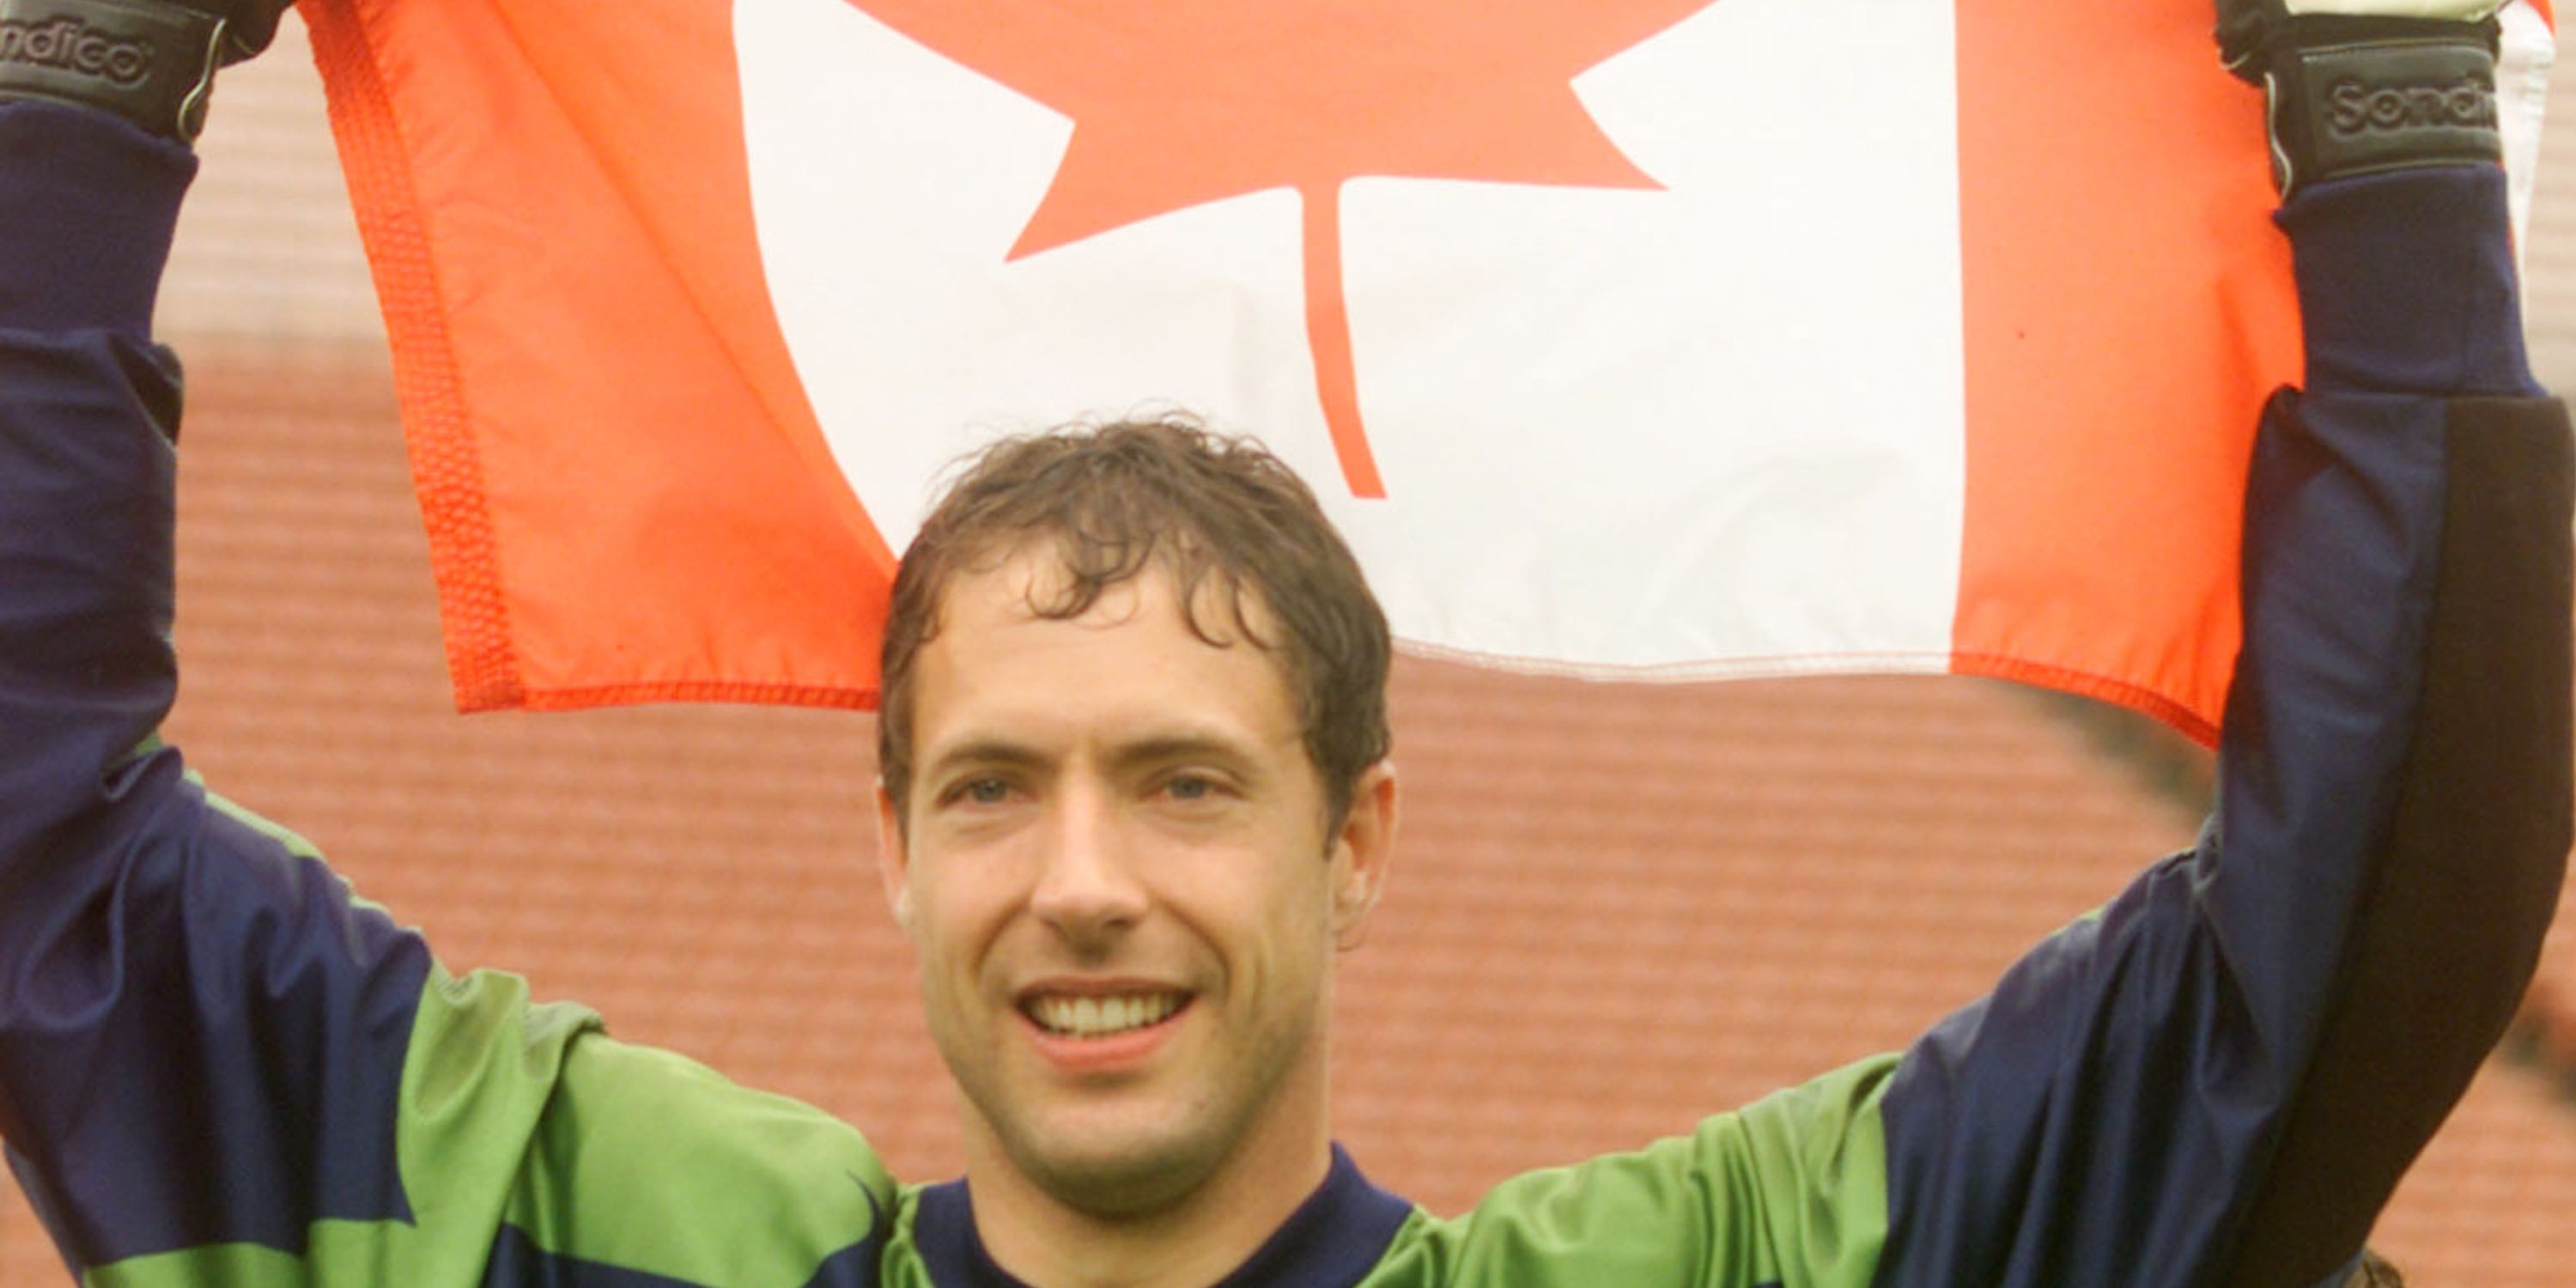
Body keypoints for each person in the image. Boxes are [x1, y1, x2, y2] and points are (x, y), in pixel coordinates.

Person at [0, 0, 2563, 1285]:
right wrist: (82, 83)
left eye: (1188, 778)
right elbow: (41, 850)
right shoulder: (612, 1238)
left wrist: (2381, 106)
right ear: (888, 840)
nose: (1083, 875)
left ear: (1363, 836)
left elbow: (2332, 965)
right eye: (995, 782)